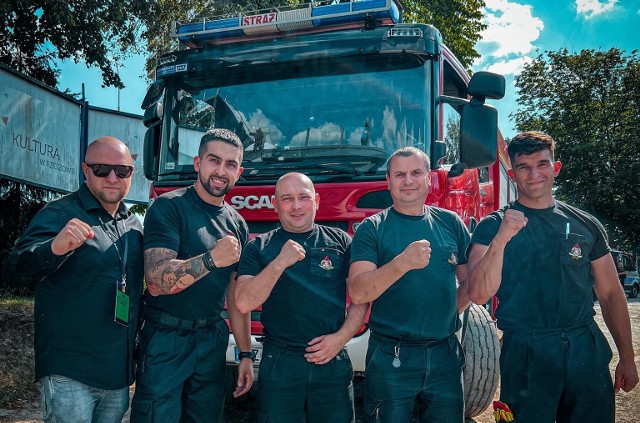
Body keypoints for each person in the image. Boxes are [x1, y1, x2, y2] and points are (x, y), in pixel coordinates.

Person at [466, 131, 638, 422]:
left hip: (584, 346)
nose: (534, 174)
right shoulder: (492, 226)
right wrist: (501, 239)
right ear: (512, 173)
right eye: (524, 166)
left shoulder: (586, 224)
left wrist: (627, 356)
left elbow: (610, 293)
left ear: (555, 168)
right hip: (525, 352)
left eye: (542, 164)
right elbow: (478, 294)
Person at [3, 137, 144, 423]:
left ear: (132, 173)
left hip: (117, 373)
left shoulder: (133, 224)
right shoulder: (59, 213)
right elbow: (13, 270)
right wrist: (53, 248)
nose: (113, 177)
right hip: (70, 371)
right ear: (85, 170)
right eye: (102, 169)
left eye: (122, 171)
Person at [130, 128, 253, 422]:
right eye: (214, 160)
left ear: (239, 171)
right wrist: (211, 259)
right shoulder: (169, 207)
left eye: (231, 164)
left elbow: (236, 298)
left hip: (212, 339)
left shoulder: (238, 224)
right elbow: (157, 281)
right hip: (166, 338)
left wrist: (246, 354)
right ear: (198, 163)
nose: (221, 171)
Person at [348, 147, 471, 422]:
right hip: (392, 357)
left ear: (429, 178)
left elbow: (471, 285)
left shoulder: (451, 223)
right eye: (399, 174)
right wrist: (402, 263)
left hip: (445, 356)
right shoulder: (372, 228)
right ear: (389, 181)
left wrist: (445, 315)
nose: (408, 180)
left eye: (416, 173)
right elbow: (357, 291)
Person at [234, 172, 368, 422]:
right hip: (280, 363)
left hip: (331, 361)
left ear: (316, 201)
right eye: (287, 199)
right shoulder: (258, 247)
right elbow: (243, 302)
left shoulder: (341, 241)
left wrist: (341, 338)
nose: (296, 206)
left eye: (303, 197)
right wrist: (279, 263)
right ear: (275, 204)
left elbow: (362, 298)